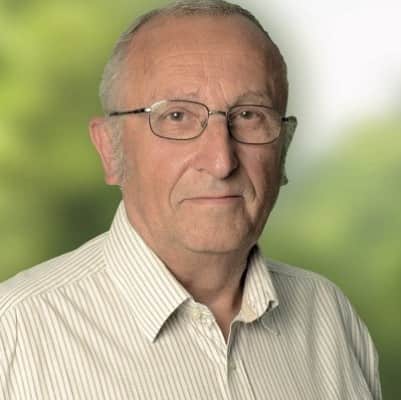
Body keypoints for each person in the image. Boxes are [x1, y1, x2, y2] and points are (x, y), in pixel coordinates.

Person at [0, 1, 382, 399]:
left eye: (249, 116)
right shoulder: (14, 336)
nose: (221, 161)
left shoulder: (330, 318)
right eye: (177, 117)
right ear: (110, 149)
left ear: (283, 148)